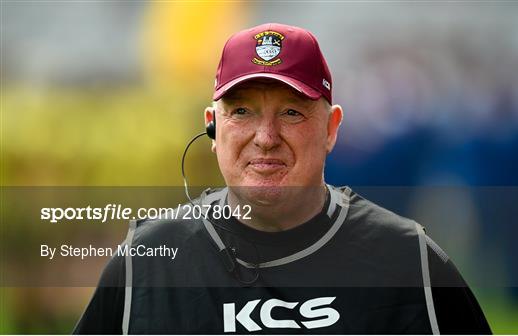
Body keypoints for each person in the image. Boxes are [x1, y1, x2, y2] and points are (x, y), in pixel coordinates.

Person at [74, 23, 492, 334]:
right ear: (212, 130)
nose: (266, 138)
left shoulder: (408, 261)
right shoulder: (145, 261)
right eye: (242, 112)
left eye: (291, 112)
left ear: (331, 129)